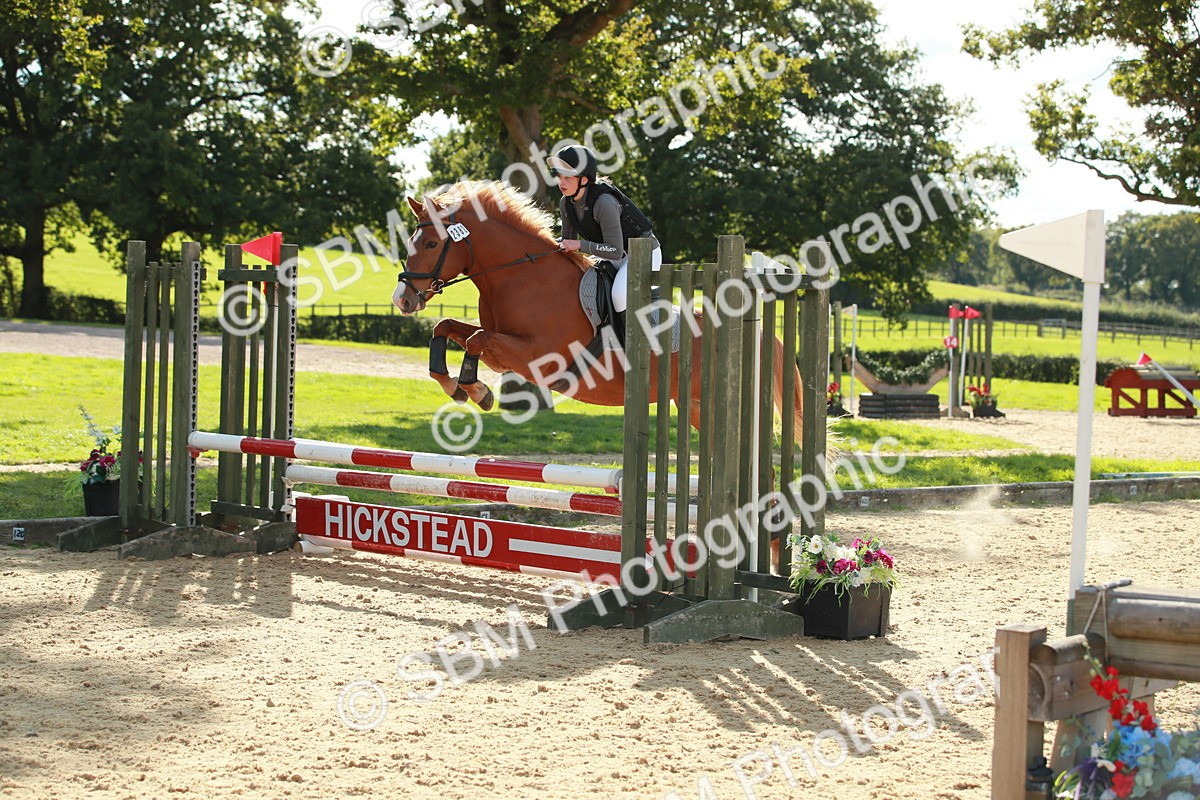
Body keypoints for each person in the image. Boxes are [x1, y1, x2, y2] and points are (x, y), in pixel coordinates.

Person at [545, 144, 662, 347]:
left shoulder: (604, 202)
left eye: (568, 177)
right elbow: (567, 245)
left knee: (618, 295)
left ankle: (636, 346)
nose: (561, 182)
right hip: (611, 254)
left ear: (584, 179)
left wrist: (579, 244)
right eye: (559, 176)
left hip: (643, 254)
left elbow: (615, 251)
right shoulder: (566, 203)